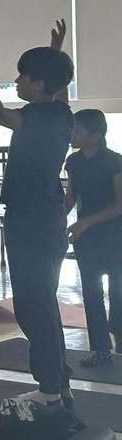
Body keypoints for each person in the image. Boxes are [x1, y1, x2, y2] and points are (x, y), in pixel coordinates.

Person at [0, 20, 74, 405]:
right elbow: (60, 87)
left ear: (40, 84)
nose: (18, 81)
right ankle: (58, 382)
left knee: (33, 306)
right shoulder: (60, 113)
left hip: (32, 221)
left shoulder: (39, 117)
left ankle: (51, 389)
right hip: (45, 217)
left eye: (24, 76)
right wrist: (56, 51)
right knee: (41, 302)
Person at [64, 109, 122, 366]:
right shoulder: (73, 162)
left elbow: (119, 206)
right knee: (91, 292)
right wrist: (54, 220)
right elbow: (70, 198)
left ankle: (120, 343)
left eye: (77, 130)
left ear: (96, 135)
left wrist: (85, 222)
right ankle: (100, 349)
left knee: (118, 292)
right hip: (86, 238)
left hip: (114, 236)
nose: (72, 134)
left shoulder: (115, 162)